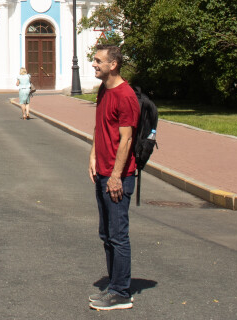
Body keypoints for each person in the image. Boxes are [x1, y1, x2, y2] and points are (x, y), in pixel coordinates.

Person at [88, 45, 139, 311]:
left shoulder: (125, 95)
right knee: (106, 234)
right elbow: (100, 126)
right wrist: (94, 156)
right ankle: (113, 285)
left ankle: (121, 292)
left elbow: (127, 138)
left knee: (118, 235)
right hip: (103, 172)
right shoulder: (103, 90)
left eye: (98, 61)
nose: (94, 64)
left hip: (118, 176)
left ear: (113, 65)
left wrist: (117, 175)